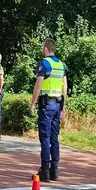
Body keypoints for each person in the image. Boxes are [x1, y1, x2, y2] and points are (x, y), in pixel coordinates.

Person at [30, 39, 67, 182]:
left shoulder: (45, 63)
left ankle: (45, 170)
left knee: (45, 138)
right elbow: (65, 87)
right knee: (54, 137)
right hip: (57, 105)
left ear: (46, 48)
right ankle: (55, 169)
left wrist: (33, 103)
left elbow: (38, 86)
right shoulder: (61, 65)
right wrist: (63, 107)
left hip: (46, 106)